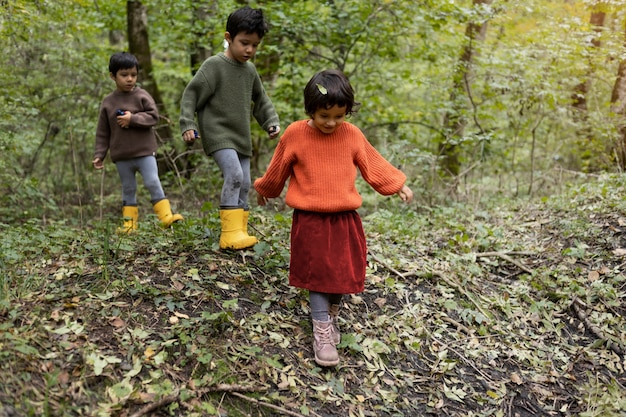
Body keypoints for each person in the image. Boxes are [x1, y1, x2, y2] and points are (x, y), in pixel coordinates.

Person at [254, 69, 414, 367]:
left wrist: (397, 185)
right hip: (310, 217)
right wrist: (265, 188)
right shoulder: (295, 134)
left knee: (342, 270)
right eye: (324, 116)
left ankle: (332, 313)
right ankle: (321, 328)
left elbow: (373, 163)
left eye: (338, 117)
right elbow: (278, 168)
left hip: (344, 217)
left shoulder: (351, 134)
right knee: (317, 274)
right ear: (310, 110)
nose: (331, 123)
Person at [179, 6, 280, 250]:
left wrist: (270, 121)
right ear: (228, 38)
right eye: (244, 43)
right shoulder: (214, 66)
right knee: (234, 175)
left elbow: (261, 99)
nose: (249, 50)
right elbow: (190, 95)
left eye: (255, 45)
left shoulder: (250, 71)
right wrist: (188, 123)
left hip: (240, 135)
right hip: (218, 133)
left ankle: (240, 232)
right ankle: (229, 234)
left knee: (245, 182)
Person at [93, 52, 183, 233]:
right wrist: (99, 155)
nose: (129, 79)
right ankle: (129, 224)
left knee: (152, 182)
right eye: (124, 75)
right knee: (128, 188)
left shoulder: (141, 95)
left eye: (133, 75)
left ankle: (166, 217)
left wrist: (132, 118)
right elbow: (103, 132)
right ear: (113, 76)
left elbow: (153, 117)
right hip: (121, 156)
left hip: (144, 152)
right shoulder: (108, 102)